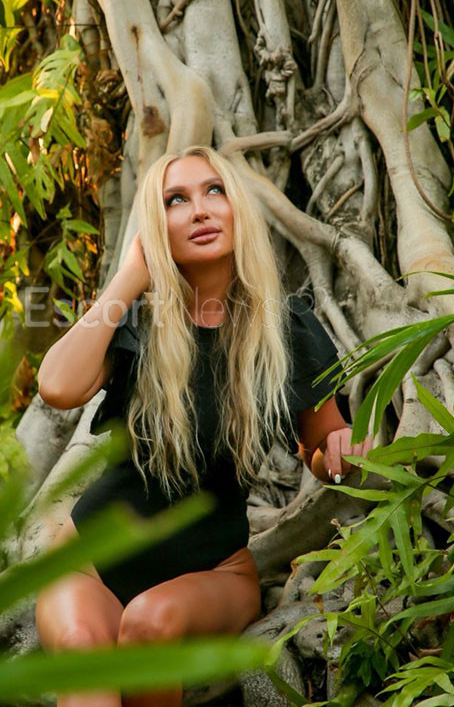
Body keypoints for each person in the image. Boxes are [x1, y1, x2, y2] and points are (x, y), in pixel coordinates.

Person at [34, 145, 374, 707]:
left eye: (214, 191)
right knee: (80, 650)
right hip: (88, 561)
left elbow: (321, 449)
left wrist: (339, 452)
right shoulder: (137, 321)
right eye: (175, 200)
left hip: (213, 574)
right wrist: (129, 277)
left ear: (238, 208)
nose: (199, 210)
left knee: (148, 623)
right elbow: (57, 387)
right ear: (155, 227)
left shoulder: (287, 328)